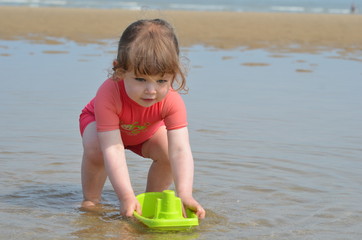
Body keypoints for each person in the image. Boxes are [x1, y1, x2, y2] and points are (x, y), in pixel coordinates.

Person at [79, 19, 205, 219]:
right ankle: (92, 199)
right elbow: (113, 148)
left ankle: (150, 201)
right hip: (102, 129)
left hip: (144, 132)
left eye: (162, 80)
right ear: (120, 70)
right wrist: (126, 195)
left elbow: (180, 150)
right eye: (140, 79)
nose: (151, 91)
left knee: (167, 152)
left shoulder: (172, 101)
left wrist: (185, 193)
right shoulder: (109, 92)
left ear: (174, 74)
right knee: (96, 147)